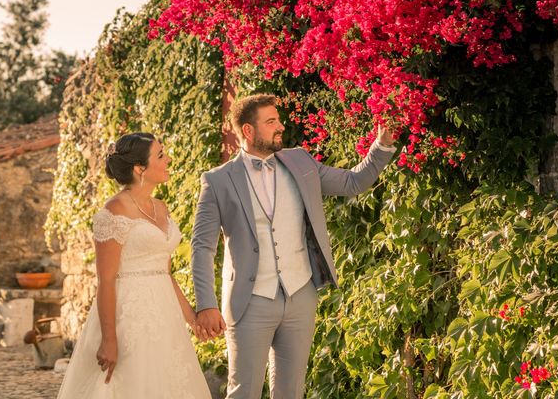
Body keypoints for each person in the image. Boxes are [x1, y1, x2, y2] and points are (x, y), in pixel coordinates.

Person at [191, 94, 396, 398]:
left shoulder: (300, 161)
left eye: (278, 119)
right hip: (249, 302)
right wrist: (206, 304)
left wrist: (382, 145)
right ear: (248, 131)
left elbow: (353, 182)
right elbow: (202, 247)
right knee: (243, 392)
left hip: (300, 294)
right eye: (271, 121)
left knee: (292, 392)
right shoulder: (218, 181)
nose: (280, 126)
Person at [57, 132, 211, 399]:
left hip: (165, 316)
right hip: (128, 318)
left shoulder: (162, 208)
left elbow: (165, 272)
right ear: (141, 169)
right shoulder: (114, 211)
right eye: (161, 155)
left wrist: (192, 319)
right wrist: (109, 339)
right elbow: (105, 279)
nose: (169, 159)